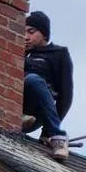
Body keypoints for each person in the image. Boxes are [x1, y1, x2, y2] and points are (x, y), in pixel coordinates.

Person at [22, 11, 74, 161]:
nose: (26, 37)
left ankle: (57, 136)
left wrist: (47, 130)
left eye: (31, 32)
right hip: (17, 107)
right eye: (23, 32)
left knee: (33, 79)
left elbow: (65, 96)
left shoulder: (59, 54)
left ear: (44, 34)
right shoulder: (20, 52)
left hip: (38, 110)